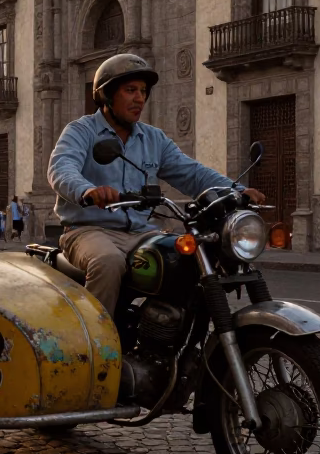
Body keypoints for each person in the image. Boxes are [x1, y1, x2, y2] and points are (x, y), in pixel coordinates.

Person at [48, 54, 264, 316]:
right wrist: (87, 190)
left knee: (191, 257)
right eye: (130, 90)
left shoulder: (153, 139)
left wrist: (236, 190)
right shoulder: (81, 131)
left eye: (143, 91)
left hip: (141, 232)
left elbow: (192, 173)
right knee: (108, 262)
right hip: (89, 231)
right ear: (106, 95)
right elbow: (62, 168)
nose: (139, 98)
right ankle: (94, 345)